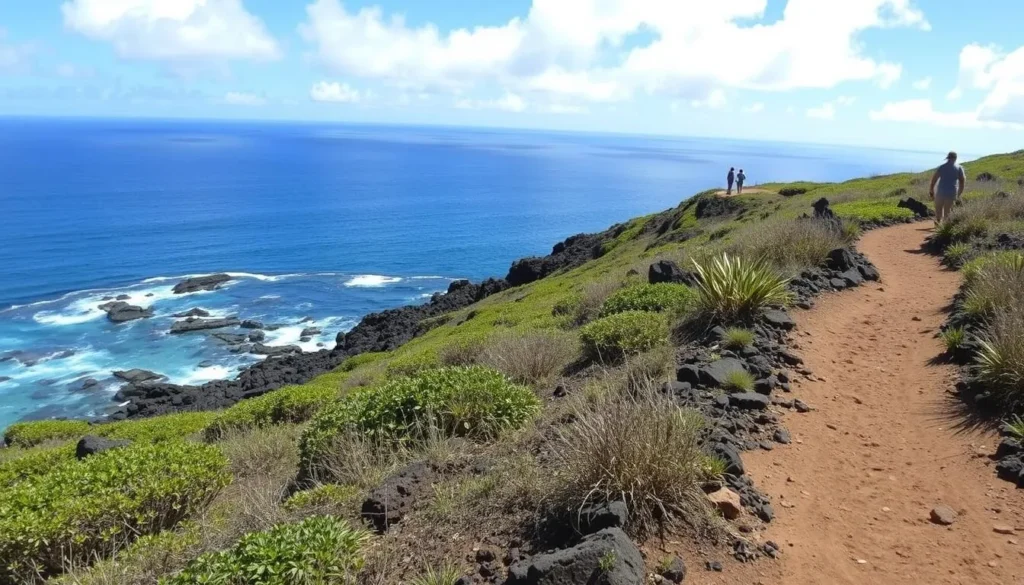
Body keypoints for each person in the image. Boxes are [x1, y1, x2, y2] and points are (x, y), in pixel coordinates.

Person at [929, 151, 966, 224]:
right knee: (948, 211)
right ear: (955, 158)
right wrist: (959, 193)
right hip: (952, 192)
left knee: (938, 209)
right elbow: (962, 181)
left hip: (940, 192)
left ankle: (938, 222)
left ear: (948, 158)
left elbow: (934, 180)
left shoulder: (942, 167)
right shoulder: (959, 168)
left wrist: (931, 190)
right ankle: (944, 226)